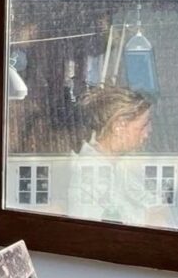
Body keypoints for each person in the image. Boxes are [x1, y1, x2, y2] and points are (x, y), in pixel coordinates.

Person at [67, 86, 165, 226]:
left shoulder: (117, 164)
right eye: (144, 124)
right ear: (119, 126)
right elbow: (143, 224)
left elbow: (155, 206)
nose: (150, 130)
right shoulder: (92, 173)